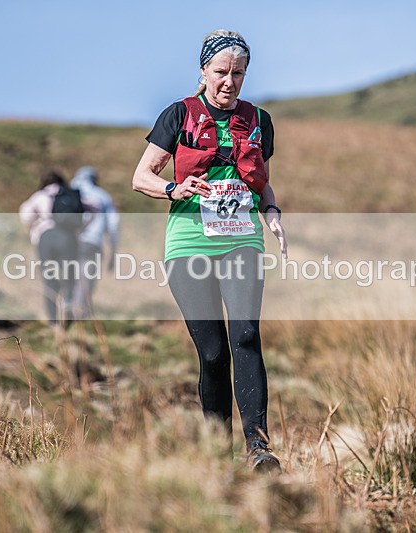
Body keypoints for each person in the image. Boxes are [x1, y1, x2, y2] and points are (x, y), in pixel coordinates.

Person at [132, 29, 287, 472]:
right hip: (189, 242)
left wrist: (271, 210)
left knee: (246, 336)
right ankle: (216, 455)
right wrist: (173, 188)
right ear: (203, 71)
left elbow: (261, 179)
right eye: (221, 72)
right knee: (214, 352)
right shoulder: (178, 114)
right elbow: (141, 175)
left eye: (238, 73)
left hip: (242, 239)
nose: (229, 82)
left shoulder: (259, 120)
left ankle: (258, 448)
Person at [19, 170, 84, 328]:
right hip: (68, 238)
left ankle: (54, 322)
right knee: (69, 274)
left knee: (49, 279)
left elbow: (25, 215)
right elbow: (91, 211)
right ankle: (67, 303)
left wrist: (35, 224)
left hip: (45, 237)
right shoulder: (71, 194)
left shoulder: (40, 196)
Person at [70, 166, 120, 319]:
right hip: (92, 242)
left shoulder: (68, 192)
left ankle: (63, 308)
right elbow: (113, 224)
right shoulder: (102, 196)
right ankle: (79, 311)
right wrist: (113, 250)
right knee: (86, 277)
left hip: (69, 240)